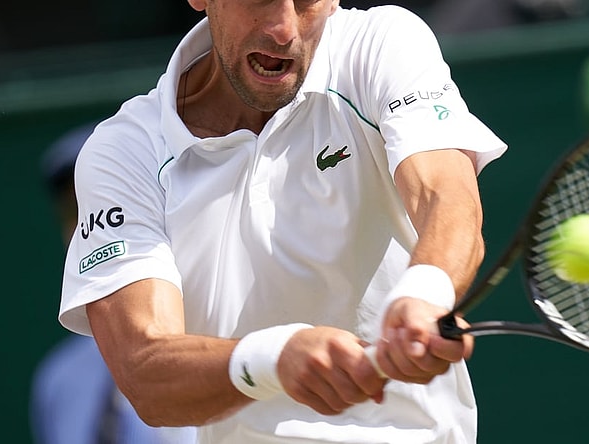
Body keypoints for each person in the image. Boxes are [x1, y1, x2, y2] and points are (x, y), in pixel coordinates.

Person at [58, 1, 507, 443]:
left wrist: (424, 293)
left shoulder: (381, 44)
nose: (284, 28)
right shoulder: (124, 153)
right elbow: (146, 371)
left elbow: (447, 197)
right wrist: (274, 359)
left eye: (308, 1)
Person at [31, 123, 198, 444]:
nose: (97, 231)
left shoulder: (246, 341)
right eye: (80, 213)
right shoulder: (59, 380)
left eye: (117, 210)